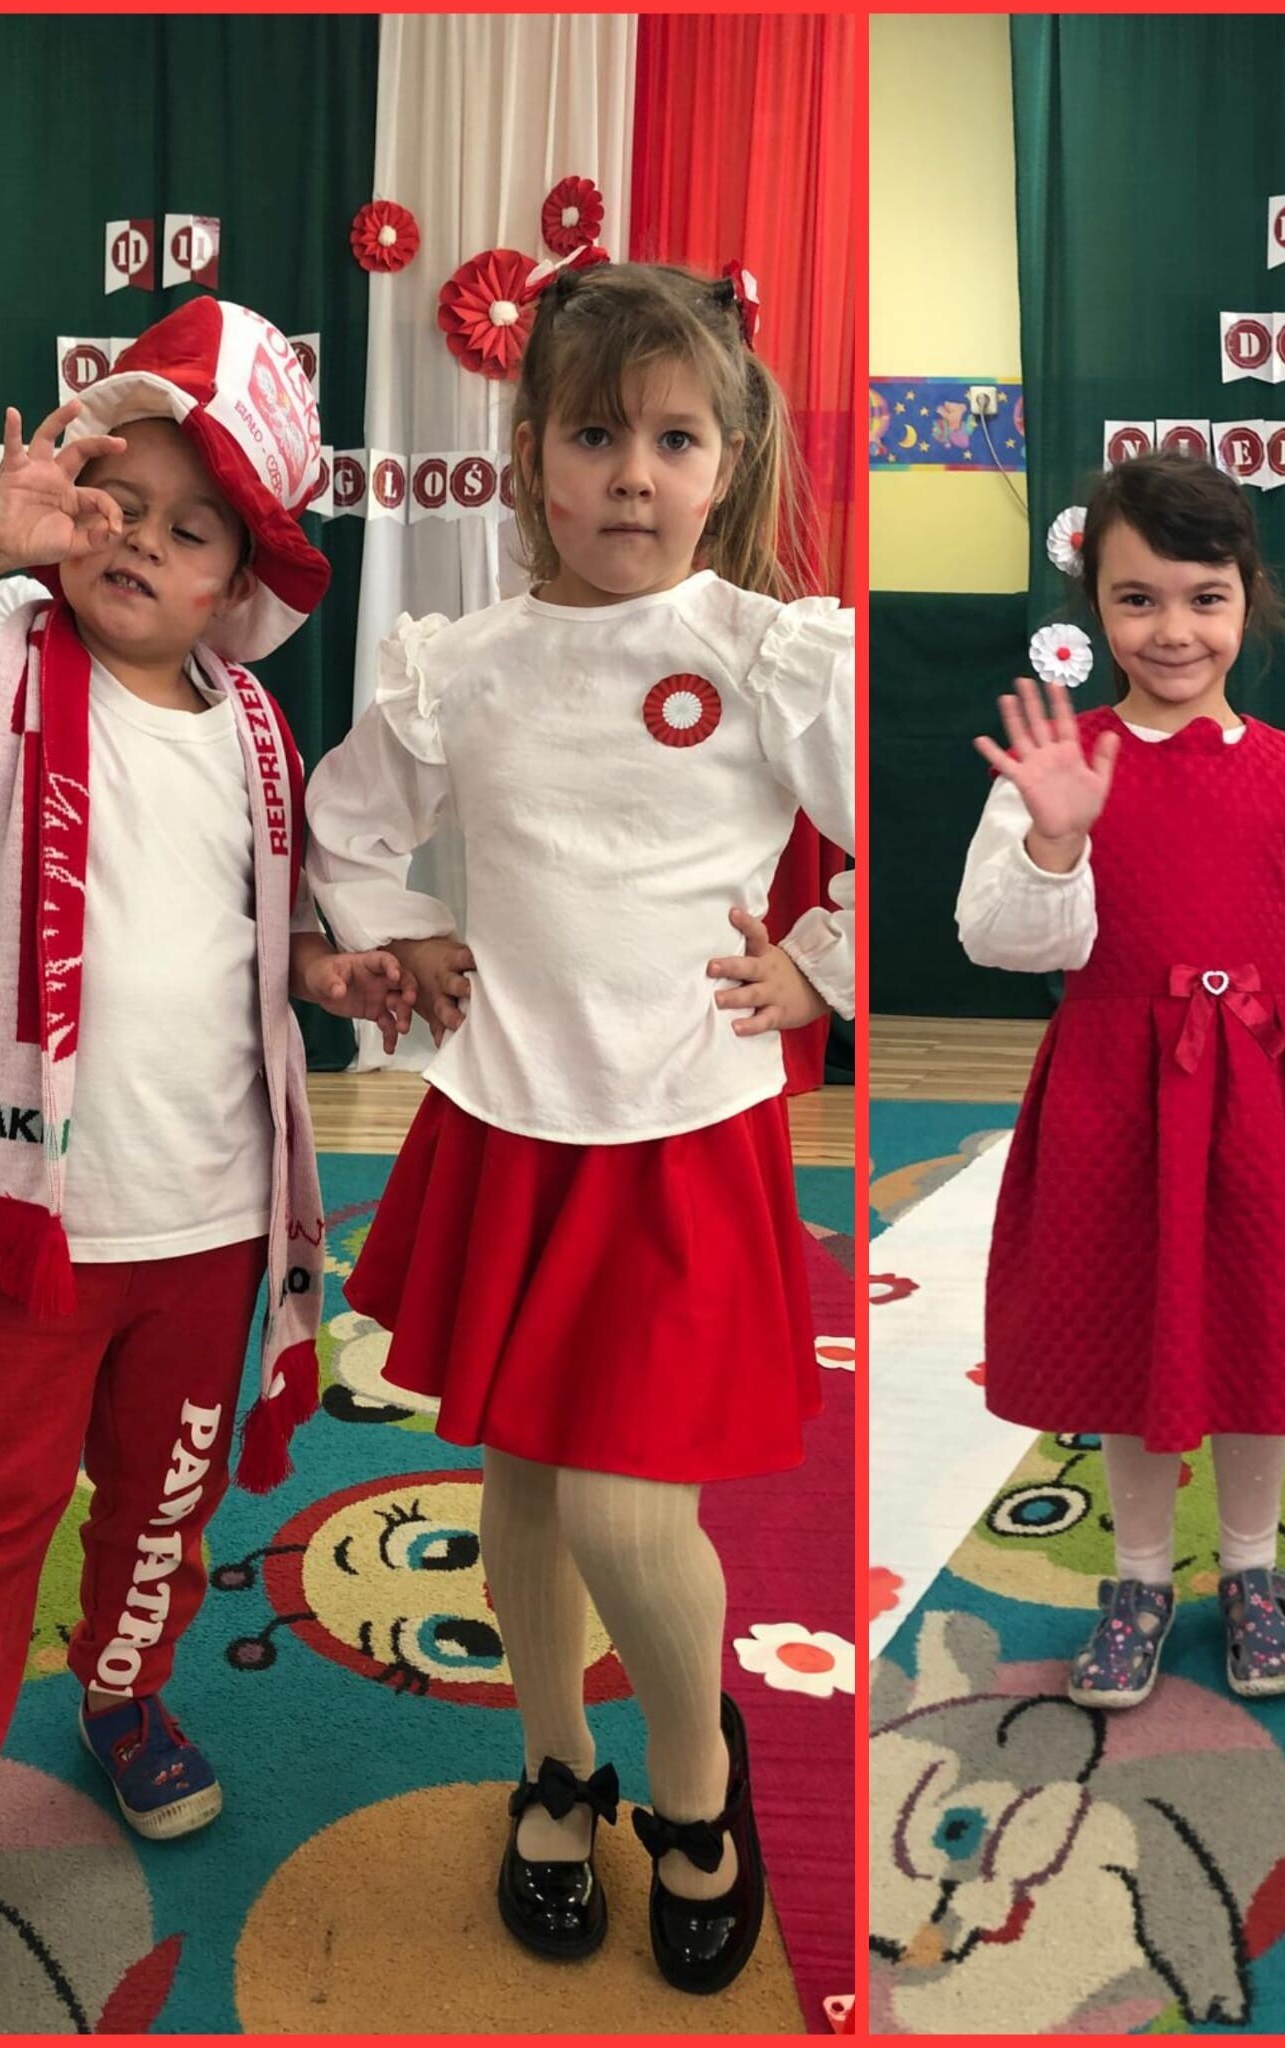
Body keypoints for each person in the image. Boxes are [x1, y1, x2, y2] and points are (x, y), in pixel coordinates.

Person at [0, 299, 411, 2032]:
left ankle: (121, 1688)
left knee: (165, 1504)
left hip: (213, 1218)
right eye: (117, 498)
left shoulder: (253, 730)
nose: (140, 543)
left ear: (241, 577)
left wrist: (331, 974)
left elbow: (256, 937)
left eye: (192, 525)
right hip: (35, 1221)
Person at [304, 256, 853, 1995]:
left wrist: (820, 963)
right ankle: (555, 1767)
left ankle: (694, 1779)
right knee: (526, 1487)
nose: (634, 473)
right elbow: (346, 825)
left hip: (678, 1127)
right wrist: (400, 931)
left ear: (727, 461)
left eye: (675, 439)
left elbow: (899, 818)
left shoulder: (768, 650)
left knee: (627, 1510)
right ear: (531, 453)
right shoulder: (459, 665)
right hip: (509, 1121)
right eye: (596, 434)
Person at [958, 450, 1285, 1706]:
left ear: (1246, 595)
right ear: (1092, 606)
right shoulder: (1061, 763)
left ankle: (1252, 1568)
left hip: (1264, 1097)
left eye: (1203, 596)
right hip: (1113, 1098)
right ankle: (1139, 1575)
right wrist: (1056, 837)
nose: (1172, 629)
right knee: (1125, 1337)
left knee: (1258, 1331)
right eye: (1136, 597)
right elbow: (1000, 937)